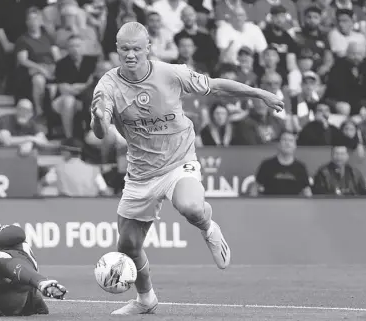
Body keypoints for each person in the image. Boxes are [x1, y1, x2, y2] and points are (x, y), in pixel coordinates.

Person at [90, 21, 284, 314]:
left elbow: (216, 86)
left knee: (191, 207)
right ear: (117, 49)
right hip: (140, 173)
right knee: (127, 245)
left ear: (148, 49)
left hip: (179, 161)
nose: (131, 55)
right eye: (125, 49)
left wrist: (259, 93)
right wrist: (99, 120)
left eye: (137, 49)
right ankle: (146, 300)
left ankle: (209, 227)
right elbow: (101, 131)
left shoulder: (171, 73)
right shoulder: (107, 86)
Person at [249, 131, 311, 196]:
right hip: (270, 204)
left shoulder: (300, 168)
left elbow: (307, 191)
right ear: (278, 144)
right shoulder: (267, 165)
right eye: (284, 140)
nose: (287, 143)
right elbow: (254, 189)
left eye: (291, 141)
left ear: (295, 146)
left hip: (293, 205)